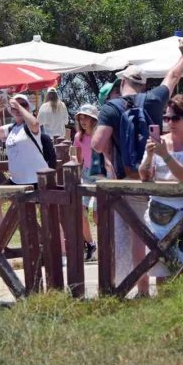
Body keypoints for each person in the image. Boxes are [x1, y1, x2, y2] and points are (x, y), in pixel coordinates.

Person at [91, 37, 183, 295]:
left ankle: (143, 290)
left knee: (139, 235)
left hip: (132, 178)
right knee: (163, 231)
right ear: (143, 84)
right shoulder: (155, 99)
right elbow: (172, 75)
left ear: (123, 82)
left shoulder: (111, 107)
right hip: (158, 177)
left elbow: (96, 144)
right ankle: (167, 287)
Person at [138, 95, 183, 280]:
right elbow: (144, 175)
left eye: (175, 118)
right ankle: (163, 308)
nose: (170, 122)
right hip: (158, 216)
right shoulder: (159, 142)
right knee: (161, 270)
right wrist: (150, 156)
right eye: (166, 118)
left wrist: (166, 155)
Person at [0, 94, 47, 186]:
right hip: (16, 180)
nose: (17, 109)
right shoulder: (10, 128)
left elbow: (35, 124)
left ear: (28, 108)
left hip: (35, 180)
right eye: (14, 107)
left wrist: (17, 106)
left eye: (23, 104)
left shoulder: (30, 126)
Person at [73, 104, 103, 262]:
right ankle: (91, 244)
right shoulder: (78, 137)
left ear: (93, 119)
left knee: (98, 215)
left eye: (86, 117)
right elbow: (78, 158)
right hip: (86, 173)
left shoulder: (101, 135)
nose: (83, 120)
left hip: (100, 174)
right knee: (81, 211)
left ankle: (104, 242)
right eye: (81, 117)